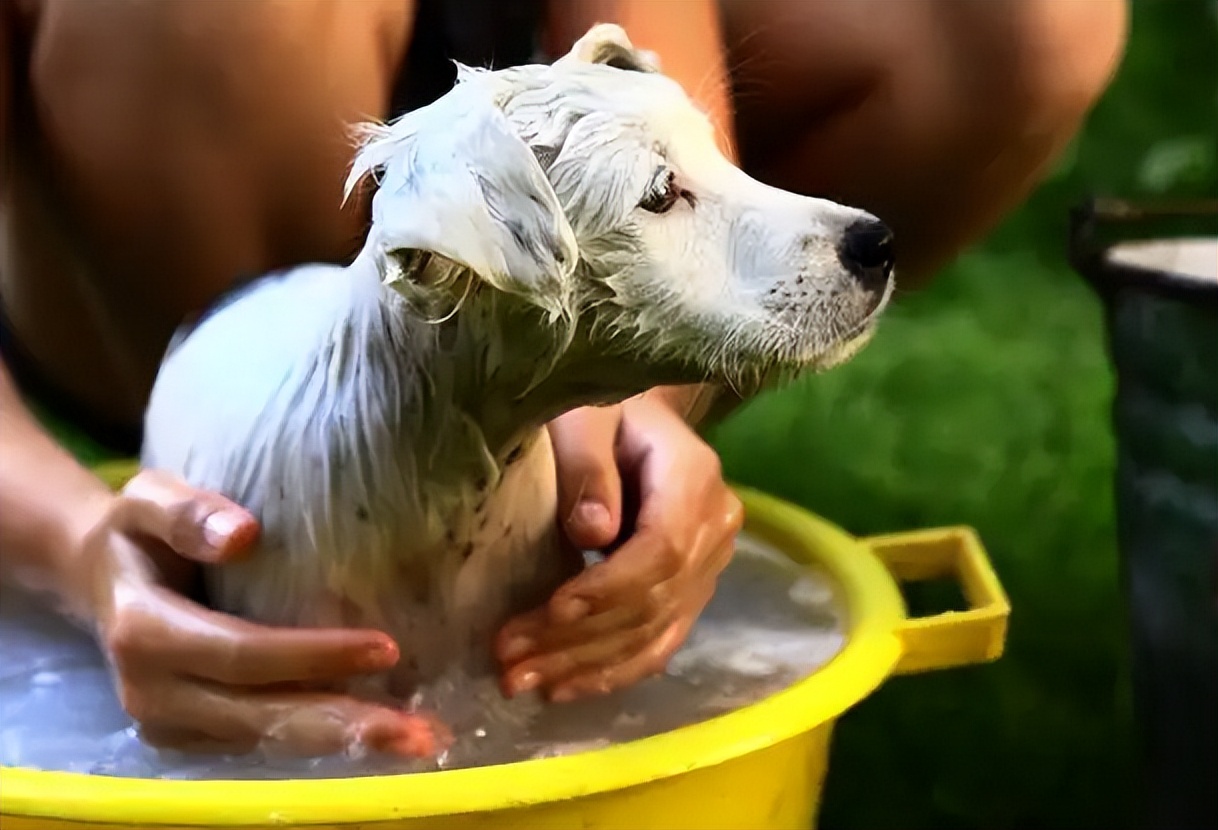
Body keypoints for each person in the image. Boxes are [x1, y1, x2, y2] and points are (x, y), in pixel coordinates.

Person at [0, 0, 1127, 755]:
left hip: (512, 172)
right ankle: (268, 564)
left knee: (1038, 22)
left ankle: (565, 422)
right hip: (159, 234)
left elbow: (645, 44)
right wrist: (80, 547)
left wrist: (644, 402)